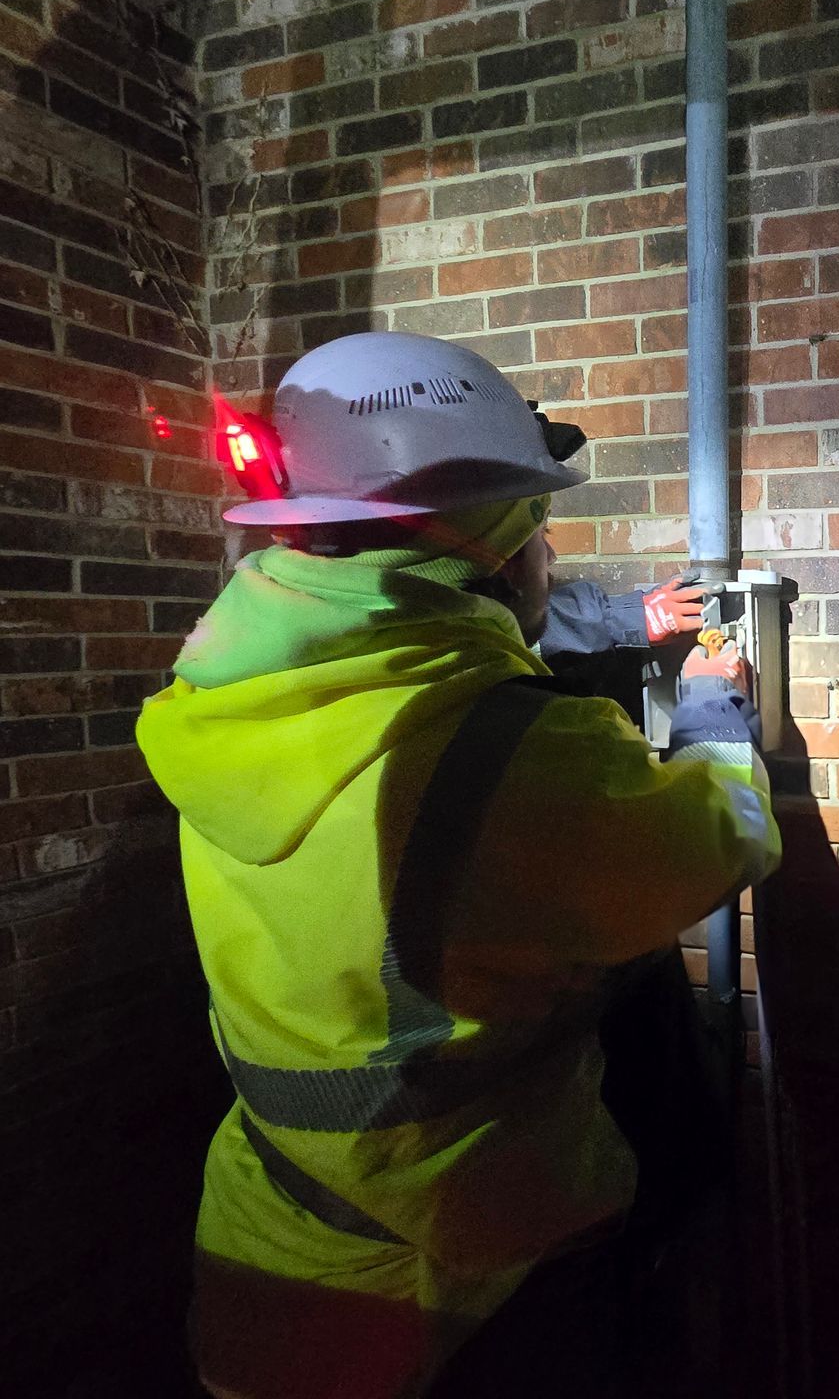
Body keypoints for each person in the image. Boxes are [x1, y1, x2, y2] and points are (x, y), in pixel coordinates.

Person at [135, 332, 780, 1399]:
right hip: (473, 1279)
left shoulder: (220, 696)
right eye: (540, 531)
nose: (555, 561)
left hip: (273, 1264)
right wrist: (714, 708)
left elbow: (422, 634)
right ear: (489, 549)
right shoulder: (520, 747)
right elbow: (723, 837)